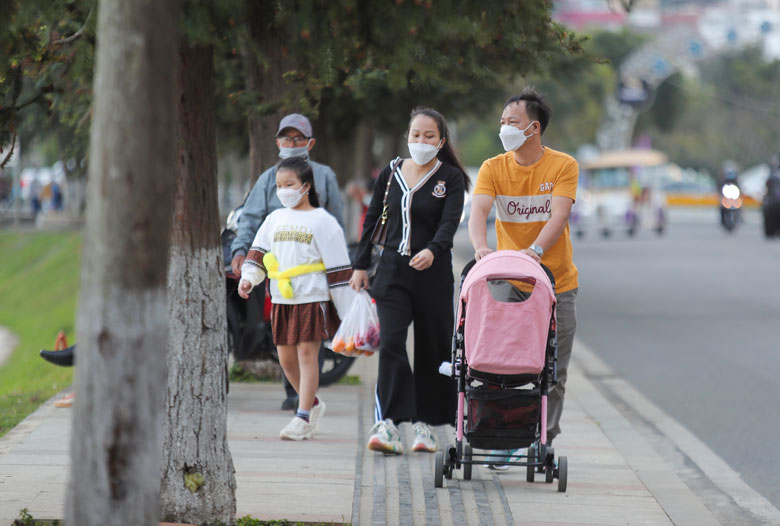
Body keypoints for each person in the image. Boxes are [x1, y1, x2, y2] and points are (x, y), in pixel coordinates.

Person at [468, 89, 578, 468]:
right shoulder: (493, 167)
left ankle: (543, 438)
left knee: (553, 368)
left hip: (556, 283)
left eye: (511, 122)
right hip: (508, 283)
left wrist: (535, 252)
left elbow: (559, 215)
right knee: (503, 364)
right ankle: (503, 430)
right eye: (502, 121)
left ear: (534, 127)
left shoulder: (563, 166)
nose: (504, 128)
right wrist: (482, 249)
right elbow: (479, 211)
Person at [350, 107, 467, 455]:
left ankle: (425, 425)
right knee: (391, 343)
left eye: (429, 135)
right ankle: (388, 421)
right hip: (392, 272)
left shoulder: (451, 177)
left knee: (433, 348)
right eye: (416, 134)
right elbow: (372, 218)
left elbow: (450, 222)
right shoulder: (391, 172)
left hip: (433, 274)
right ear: (407, 137)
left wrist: (433, 249)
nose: (421, 141)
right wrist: (360, 265)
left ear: (441, 141)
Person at [230, 113, 345, 411]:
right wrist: (241, 252)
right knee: (285, 343)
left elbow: (336, 225)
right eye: (286, 138)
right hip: (279, 277)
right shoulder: (269, 178)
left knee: (310, 344)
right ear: (277, 142)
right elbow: (252, 218)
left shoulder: (325, 176)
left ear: (310, 143)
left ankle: (303, 406)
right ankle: (296, 391)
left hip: (314, 277)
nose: (292, 144)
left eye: (298, 139)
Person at [238, 157, 354, 440]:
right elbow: (258, 253)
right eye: (279, 185)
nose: (283, 190)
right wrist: (248, 278)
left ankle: (301, 418)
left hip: (312, 298)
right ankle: (312, 403)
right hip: (281, 298)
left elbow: (339, 269)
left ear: (306, 186)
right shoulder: (274, 219)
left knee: (307, 354)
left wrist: (348, 311)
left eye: (289, 184)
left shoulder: (323, 221)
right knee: (286, 359)